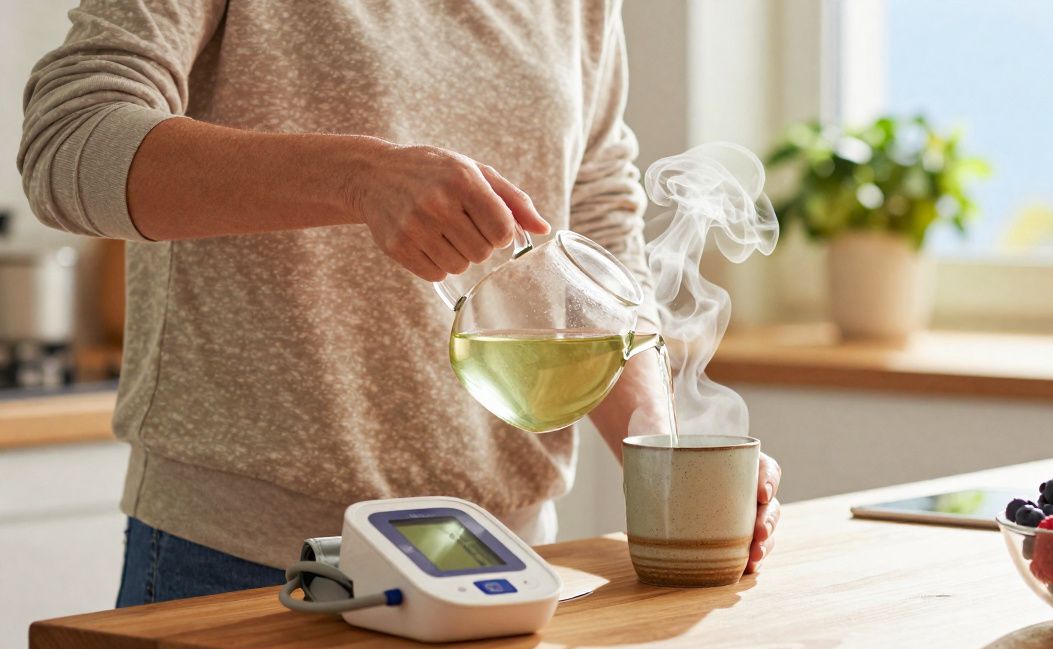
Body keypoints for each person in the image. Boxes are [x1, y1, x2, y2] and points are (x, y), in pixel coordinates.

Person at [19, 0, 780, 605]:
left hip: (504, 560)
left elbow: (596, 208)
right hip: (251, 565)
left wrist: (657, 450)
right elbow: (70, 138)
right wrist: (360, 177)